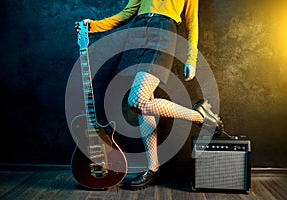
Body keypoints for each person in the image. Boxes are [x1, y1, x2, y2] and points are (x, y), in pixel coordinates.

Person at [79, 0, 223, 189]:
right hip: (139, 34)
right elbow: (127, 13)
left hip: (163, 33)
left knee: (137, 100)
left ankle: (200, 116)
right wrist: (95, 26)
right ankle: (153, 168)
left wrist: (191, 59)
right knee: (146, 101)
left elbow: (192, 23)